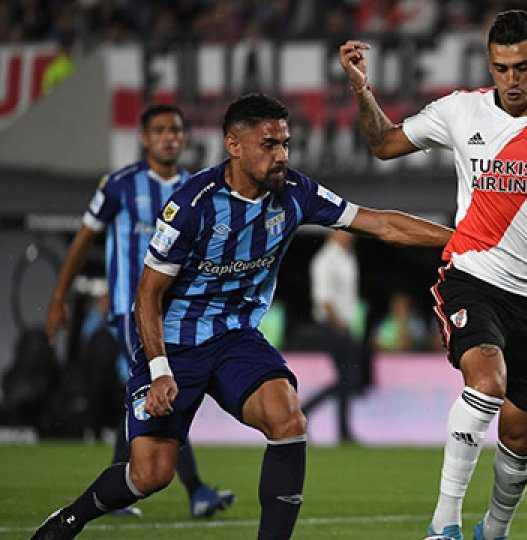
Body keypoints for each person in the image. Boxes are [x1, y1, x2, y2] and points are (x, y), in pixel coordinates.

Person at [31, 93, 453, 540]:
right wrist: (158, 371)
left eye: (285, 144)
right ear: (233, 144)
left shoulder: (296, 192)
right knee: (150, 475)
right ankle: (68, 520)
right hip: (175, 343)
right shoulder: (193, 205)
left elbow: (380, 224)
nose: (282, 156)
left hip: (235, 337)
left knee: (288, 418)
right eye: (269, 145)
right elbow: (147, 297)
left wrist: (463, 240)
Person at [340, 9, 527, 539]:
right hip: (473, 274)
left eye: (521, 67)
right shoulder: (459, 111)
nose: (511, 80)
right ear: (489, 65)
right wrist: (361, 90)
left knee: (518, 439)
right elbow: (383, 145)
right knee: (486, 383)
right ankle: (443, 525)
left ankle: (493, 530)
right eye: (500, 68)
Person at [44, 103, 235, 520]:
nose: (170, 136)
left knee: (142, 400)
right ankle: (196, 490)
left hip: (183, 313)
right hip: (133, 308)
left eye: (177, 129)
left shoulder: (198, 188)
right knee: (166, 389)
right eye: (161, 130)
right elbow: (83, 239)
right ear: (145, 138)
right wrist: (59, 296)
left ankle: (117, 487)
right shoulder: (119, 185)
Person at [300, 229, 365, 443]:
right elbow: (324, 300)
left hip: (343, 324)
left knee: (346, 379)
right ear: (333, 235)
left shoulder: (347, 257)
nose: (350, 236)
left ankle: (343, 430)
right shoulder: (325, 260)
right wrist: (340, 326)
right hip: (333, 325)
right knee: (348, 378)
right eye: (344, 233)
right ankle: (307, 411)